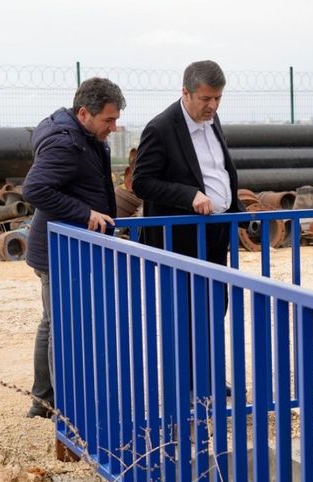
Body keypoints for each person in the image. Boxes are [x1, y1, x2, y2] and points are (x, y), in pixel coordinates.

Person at [22, 77, 126, 418]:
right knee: (61, 327)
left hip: (64, 245)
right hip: (58, 249)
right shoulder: (66, 143)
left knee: (52, 323)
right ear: (84, 113)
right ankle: (65, 413)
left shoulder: (77, 132)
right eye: (108, 120)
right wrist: (85, 213)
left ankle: (43, 400)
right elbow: (35, 189)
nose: (114, 126)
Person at [132, 60, 243, 265]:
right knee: (187, 297)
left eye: (218, 98)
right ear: (185, 92)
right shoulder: (160, 129)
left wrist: (237, 209)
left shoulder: (212, 118)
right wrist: (189, 195)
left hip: (219, 230)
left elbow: (218, 170)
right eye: (205, 98)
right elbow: (141, 183)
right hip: (183, 238)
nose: (213, 106)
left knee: (218, 296)